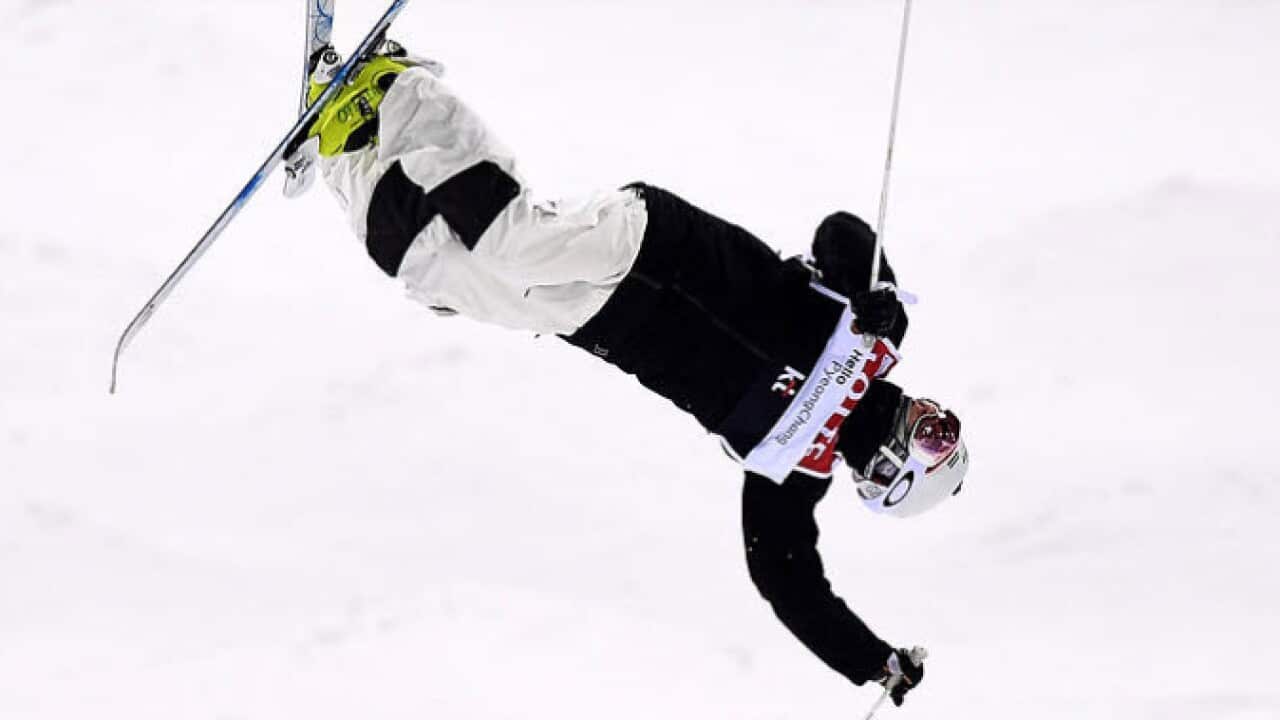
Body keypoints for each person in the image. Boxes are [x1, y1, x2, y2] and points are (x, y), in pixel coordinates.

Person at [294, 43, 970, 707]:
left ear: (890, 478)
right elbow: (839, 231)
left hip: (600, 319)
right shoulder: (877, 339)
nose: (928, 415)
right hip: (656, 244)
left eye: (935, 437)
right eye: (943, 420)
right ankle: (398, 88)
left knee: (447, 278)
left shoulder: (794, 470)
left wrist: (871, 662)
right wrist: (864, 288)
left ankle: (349, 148)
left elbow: (786, 580)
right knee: (513, 239)